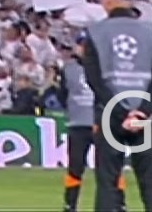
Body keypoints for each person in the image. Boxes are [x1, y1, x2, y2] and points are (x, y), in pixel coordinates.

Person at [81, 0, 152, 212]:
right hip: (144, 117)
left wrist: (120, 111)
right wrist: (141, 112)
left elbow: (94, 80)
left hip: (110, 115)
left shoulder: (95, 32)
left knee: (108, 183)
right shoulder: (151, 32)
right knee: (150, 187)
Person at [56, 28, 99, 212]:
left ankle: (117, 203)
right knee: (75, 167)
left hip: (100, 123)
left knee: (109, 168)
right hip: (78, 124)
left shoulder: (103, 67)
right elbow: (62, 94)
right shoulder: (69, 68)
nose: (84, 48)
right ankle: (70, 204)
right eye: (81, 45)